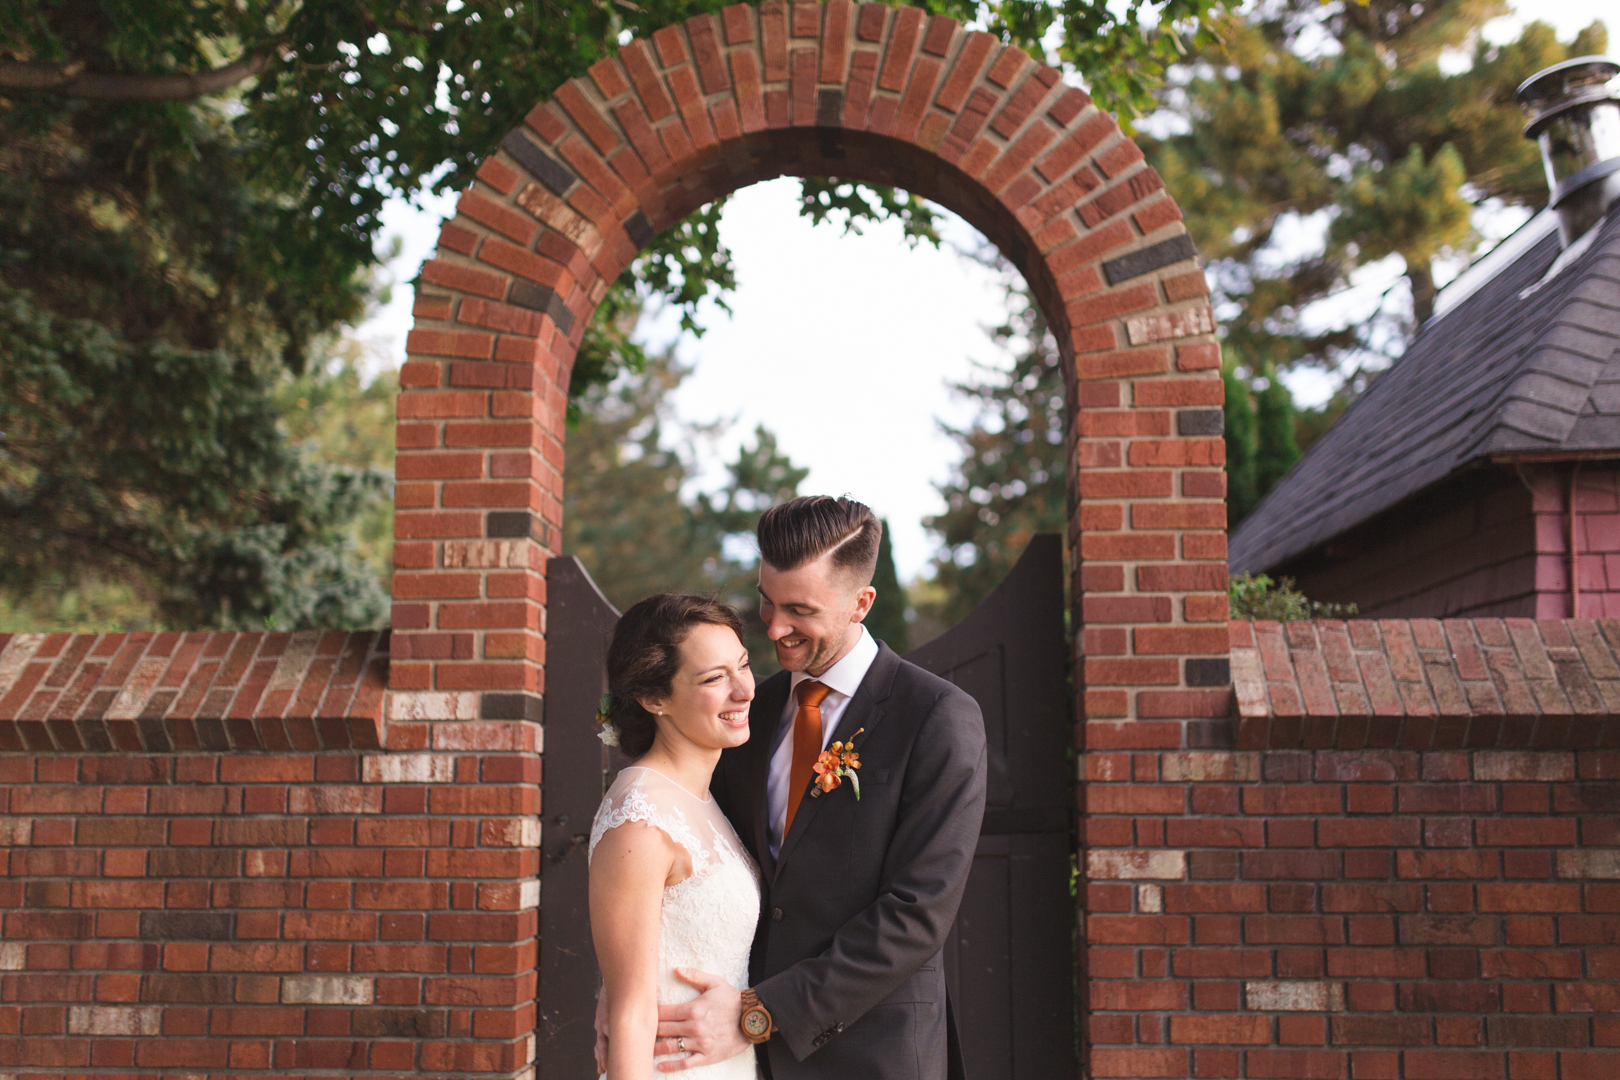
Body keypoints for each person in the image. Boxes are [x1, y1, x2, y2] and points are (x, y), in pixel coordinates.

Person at [601, 496, 989, 1079]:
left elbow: (917, 914)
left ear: (862, 603)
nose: (775, 628)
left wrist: (758, 1013)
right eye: (766, 600)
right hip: (737, 1061)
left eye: (800, 610)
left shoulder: (936, 717)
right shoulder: (746, 715)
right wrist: (625, 988)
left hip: (873, 1056)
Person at [589, 594, 761, 1079]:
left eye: (743, 666)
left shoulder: (703, 798)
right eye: (713, 678)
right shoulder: (640, 817)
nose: (744, 690)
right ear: (654, 698)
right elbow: (630, 1013)